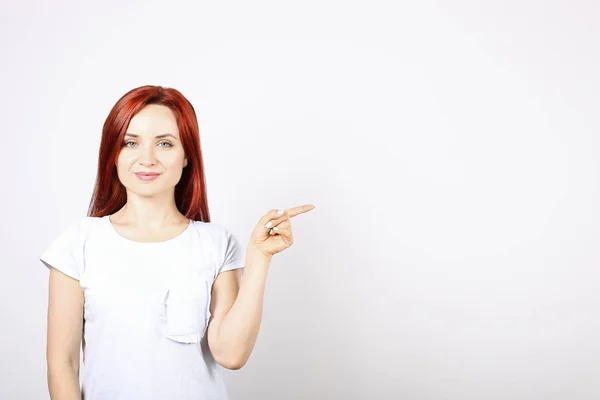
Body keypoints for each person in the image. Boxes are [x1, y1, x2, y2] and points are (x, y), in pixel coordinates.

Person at [39, 85, 315, 399]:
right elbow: (63, 363)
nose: (147, 158)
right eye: (131, 142)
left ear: (187, 156)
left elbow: (231, 354)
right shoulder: (78, 243)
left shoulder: (216, 244)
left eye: (165, 143)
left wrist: (259, 258)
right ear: (112, 154)